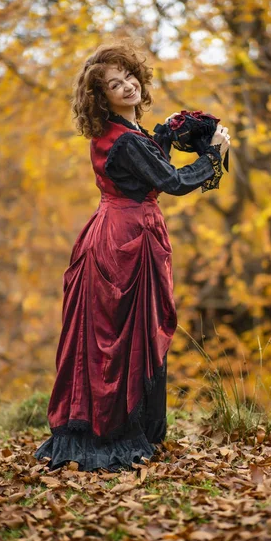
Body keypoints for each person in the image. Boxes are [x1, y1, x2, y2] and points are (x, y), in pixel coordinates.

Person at [34, 40, 230, 472]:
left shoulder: (124, 135)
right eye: (113, 85)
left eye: (129, 78)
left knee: (117, 335)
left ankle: (121, 425)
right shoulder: (125, 142)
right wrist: (213, 152)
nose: (127, 87)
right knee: (123, 337)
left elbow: (146, 162)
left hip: (114, 233)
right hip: (126, 243)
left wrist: (165, 134)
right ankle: (115, 432)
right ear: (99, 97)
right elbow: (172, 182)